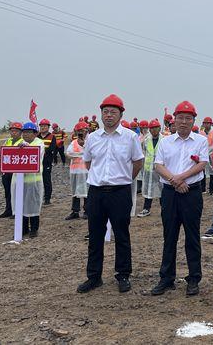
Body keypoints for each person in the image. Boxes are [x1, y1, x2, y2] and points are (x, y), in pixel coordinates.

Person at [77, 94, 144, 294]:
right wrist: (100, 178)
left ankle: (123, 274)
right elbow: (88, 162)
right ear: (101, 114)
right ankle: (94, 276)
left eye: (113, 112)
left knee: (121, 235)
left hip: (120, 192)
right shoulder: (93, 138)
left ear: (121, 115)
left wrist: (124, 178)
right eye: (105, 112)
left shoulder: (130, 137)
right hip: (96, 192)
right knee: (95, 235)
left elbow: (138, 162)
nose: (108, 115)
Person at [151, 101, 208, 297]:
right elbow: (158, 165)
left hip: (191, 193)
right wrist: (174, 181)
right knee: (169, 236)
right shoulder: (165, 142)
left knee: (192, 237)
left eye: (188, 118)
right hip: (170, 193)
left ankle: (194, 279)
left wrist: (181, 178)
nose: (184, 122)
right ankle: (166, 278)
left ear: (193, 121)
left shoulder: (200, 141)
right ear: (174, 120)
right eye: (180, 118)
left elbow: (202, 164)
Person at [13, 123, 46, 237]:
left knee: (33, 204)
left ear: (35, 134)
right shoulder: (18, 143)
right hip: (20, 180)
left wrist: (26, 146)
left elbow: (37, 154)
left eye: (28, 132)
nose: (26, 134)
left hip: (34, 180)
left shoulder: (39, 143)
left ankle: (34, 229)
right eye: (24, 132)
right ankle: (24, 229)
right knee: (21, 205)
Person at [0, 122, 23, 218]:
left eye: (16, 131)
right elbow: (2, 151)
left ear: (20, 132)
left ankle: (17, 211)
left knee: (16, 191)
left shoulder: (22, 142)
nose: (13, 133)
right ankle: (8, 210)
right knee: (7, 191)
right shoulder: (8, 141)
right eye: (12, 131)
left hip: (16, 171)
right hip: (6, 170)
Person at [137, 119, 163, 217]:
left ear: (159, 128)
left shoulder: (164, 140)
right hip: (148, 170)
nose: (154, 130)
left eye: (156, 128)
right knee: (148, 189)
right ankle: (146, 209)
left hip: (161, 169)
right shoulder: (146, 140)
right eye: (151, 128)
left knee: (162, 188)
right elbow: (143, 153)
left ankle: (164, 208)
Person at [65, 122, 89, 220]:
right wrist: (78, 154)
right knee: (75, 191)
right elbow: (68, 154)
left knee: (87, 191)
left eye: (83, 131)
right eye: (79, 131)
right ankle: (75, 211)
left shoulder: (90, 141)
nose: (81, 133)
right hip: (75, 171)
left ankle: (87, 211)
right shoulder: (74, 142)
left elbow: (91, 153)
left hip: (86, 171)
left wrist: (83, 146)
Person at [37, 119, 58, 205]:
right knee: (37, 180)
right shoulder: (36, 136)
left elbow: (52, 149)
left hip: (47, 161)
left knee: (46, 180)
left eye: (45, 126)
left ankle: (47, 198)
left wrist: (42, 152)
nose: (43, 127)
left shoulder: (52, 137)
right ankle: (38, 197)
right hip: (37, 162)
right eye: (41, 126)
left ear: (48, 127)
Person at [199, 117, 213, 194]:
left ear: (211, 124)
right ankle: (203, 189)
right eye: (205, 123)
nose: (207, 125)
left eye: (208, 123)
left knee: (212, 172)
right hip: (203, 154)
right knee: (202, 171)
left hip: (211, 154)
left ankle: (211, 190)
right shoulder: (201, 133)